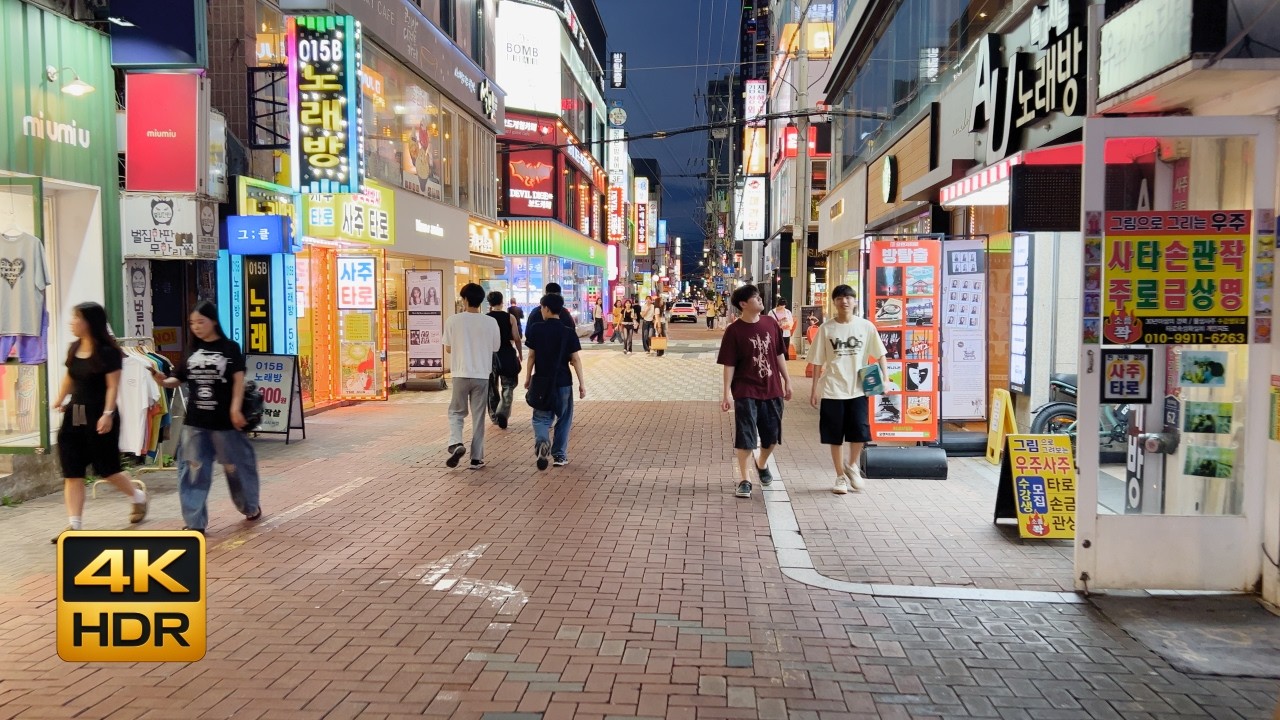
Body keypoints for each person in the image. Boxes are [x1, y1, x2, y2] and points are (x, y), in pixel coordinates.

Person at [151, 300, 261, 534]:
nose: (196, 327)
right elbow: (179, 378)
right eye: (192, 323)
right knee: (193, 470)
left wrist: (235, 409)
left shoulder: (230, 348)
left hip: (225, 422)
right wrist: (163, 381)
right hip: (195, 422)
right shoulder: (192, 349)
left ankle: (249, 506)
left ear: (213, 321)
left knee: (236, 467)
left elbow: (238, 380)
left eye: (201, 322)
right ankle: (195, 523)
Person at [51, 302, 149, 542]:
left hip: (99, 415)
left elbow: (113, 386)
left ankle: (137, 497)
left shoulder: (108, 352)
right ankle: (74, 526)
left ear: (89, 322)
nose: (72, 322)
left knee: (108, 470)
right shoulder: (74, 348)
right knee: (72, 471)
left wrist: (107, 414)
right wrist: (60, 399)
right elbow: (70, 378)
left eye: (76, 318)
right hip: (75, 414)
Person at [808, 284, 887, 494]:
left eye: (848, 297)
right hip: (833, 388)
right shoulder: (826, 329)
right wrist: (814, 390)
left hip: (859, 388)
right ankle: (840, 477)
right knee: (835, 435)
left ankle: (851, 465)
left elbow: (880, 354)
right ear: (834, 302)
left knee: (860, 432)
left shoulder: (866, 326)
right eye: (840, 298)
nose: (844, 301)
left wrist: (886, 379)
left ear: (854, 301)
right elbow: (817, 361)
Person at [717, 285, 792, 499]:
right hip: (745, 390)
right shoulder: (734, 330)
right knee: (746, 435)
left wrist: (787, 380)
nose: (760, 300)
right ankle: (745, 479)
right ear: (743, 304)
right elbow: (729, 364)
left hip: (772, 388)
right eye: (755, 297)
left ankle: (762, 463)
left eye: (759, 297)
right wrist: (726, 393)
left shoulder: (770, 323)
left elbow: (779, 354)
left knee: (772, 437)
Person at [524, 293, 585, 469]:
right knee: (564, 418)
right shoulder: (568, 332)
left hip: (542, 382)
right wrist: (582, 384)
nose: (541, 311)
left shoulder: (536, 328)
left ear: (547, 308)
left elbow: (531, 356)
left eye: (542, 307)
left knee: (540, 417)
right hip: (564, 382)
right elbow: (575, 359)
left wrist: (528, 378)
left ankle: (543, 442)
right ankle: (559, 455)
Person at [442, 283, 500, 469]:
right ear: (481, 300)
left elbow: (448, 348)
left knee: (456, 412)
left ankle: (456, 443)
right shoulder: (490, 322)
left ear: (465, 299)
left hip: (460, 373)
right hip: (482, 374)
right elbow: (495, 347)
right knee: (478, 416)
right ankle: (476, 458)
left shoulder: (453, 320)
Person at [486, 290, 522, 429]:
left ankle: (495, 416)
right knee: (508, 385)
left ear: (489, 303)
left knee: (491, 387)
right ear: (502, 302)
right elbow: (517, 338)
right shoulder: (510, 317)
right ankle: (503, 411)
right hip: (506, 353)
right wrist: (520, 353)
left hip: (490, 355)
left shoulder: (486, 318)